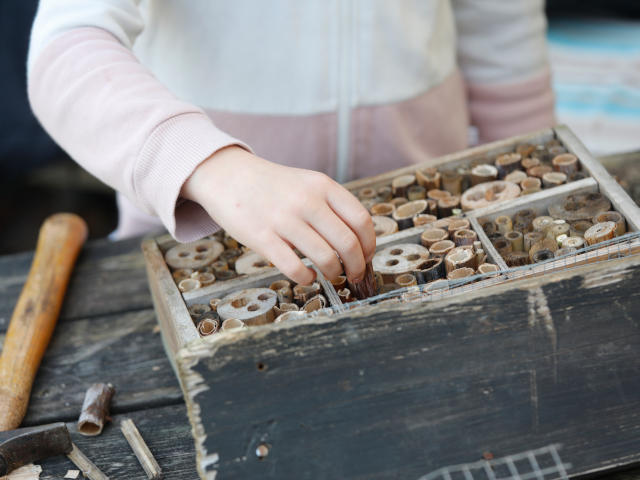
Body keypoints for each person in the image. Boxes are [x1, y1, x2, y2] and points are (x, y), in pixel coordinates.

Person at [27, 1, 554, 285]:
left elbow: (499, 25)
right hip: (205, 245)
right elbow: (65, 49)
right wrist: (214, 166)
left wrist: (532, 181)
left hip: (434, 225)